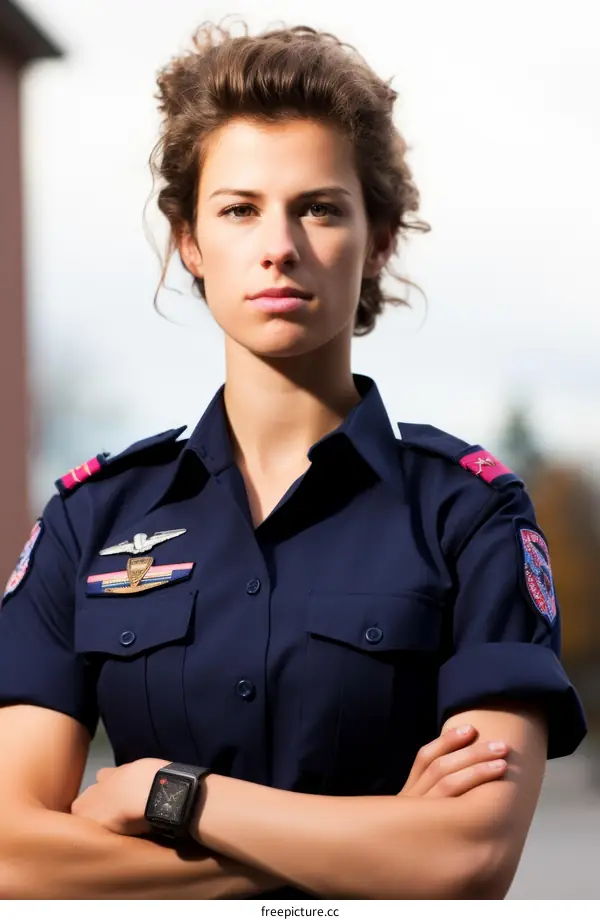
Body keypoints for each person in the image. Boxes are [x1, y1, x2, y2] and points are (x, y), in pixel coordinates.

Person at [0, 22, 586, 900]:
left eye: (320, 207)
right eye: (239, 209)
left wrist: (166, 798)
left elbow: (465, 860)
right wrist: (373, 850)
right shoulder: (91, 522)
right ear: (188, 243)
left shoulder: (470, 517)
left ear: (379, 238)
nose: (280, 246)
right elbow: (12, 856)